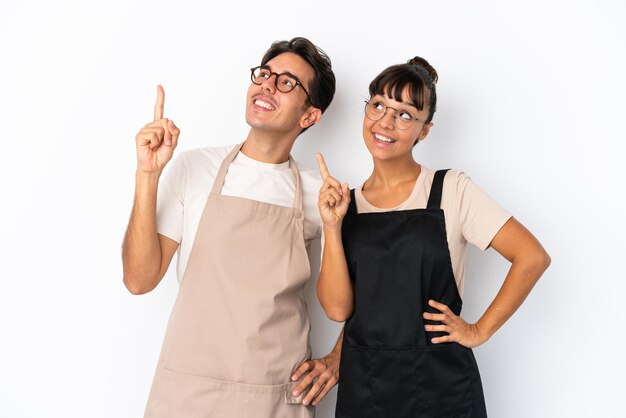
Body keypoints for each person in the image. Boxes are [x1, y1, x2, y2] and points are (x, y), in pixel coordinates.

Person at [316, 57, 551, 417]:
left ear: (424, 130)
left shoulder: (450, 189)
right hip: (366, 388)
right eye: (378, 105)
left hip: (442, 388)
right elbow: (337, 310)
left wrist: (478, 331)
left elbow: (532, 257)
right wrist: (332, 227)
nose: (386, 122)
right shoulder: (345, 206)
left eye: (405, 114)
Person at [122, 37, 341, 418]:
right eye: (265, 74)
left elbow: (368, 295)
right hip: (188, 395)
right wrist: (147, 175)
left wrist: (338, 358)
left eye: (287, 82)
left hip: (274, 398)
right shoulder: (194, 168)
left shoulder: (319, 194)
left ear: (309, 116)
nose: (267, 85)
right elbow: (139, 280)